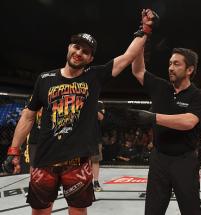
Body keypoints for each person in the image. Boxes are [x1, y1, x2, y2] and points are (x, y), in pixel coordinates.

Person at [1, 9, 158, 215]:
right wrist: (14, 150)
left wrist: (145, 28)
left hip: (78, 161)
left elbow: (128, 56)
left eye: (85, 52)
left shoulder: (94, 77)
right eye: (77, 47)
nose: (79, 53)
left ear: (90, 58)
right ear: (69, 48)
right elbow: (29, 115)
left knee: (77, 211)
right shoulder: (45, 79)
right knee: (40, 211)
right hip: (45, 158)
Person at [130, 47, 201, 215]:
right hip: (159, 159)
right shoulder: (161, 88)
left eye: (176, 64)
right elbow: (138, 70)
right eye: (170, 63)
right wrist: (142, 41)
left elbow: (189, 122)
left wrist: (153, 117)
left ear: (189, 70)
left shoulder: (198, 95)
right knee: (152, 211)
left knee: (191, 210)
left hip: (185, 161)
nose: (171, 68)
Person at [91, 101, 105, 192]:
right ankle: (85, 182)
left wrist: (90, 104)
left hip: (95, 137)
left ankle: (95, 182)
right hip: (81, 136)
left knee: (95, 160)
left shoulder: (99, 103)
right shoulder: (79, 100)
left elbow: (101, 117)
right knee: (83, 161)